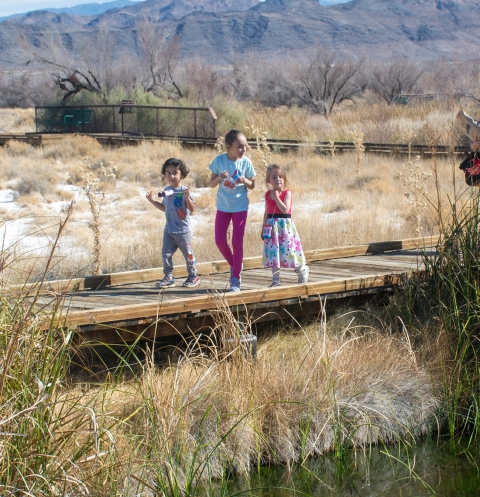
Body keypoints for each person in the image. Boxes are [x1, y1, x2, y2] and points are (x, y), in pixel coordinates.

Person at [209, 130, 256, 291]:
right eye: (240, 147)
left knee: (237, 242)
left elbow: (253, 184)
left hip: (240, 207)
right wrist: (219, 178)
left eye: (245, 147)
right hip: (223, 207)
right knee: (220, 241)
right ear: (229, 147)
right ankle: (236, 265)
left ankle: (235, 278)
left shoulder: (246, 162)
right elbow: (211, 184)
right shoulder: (219, 161)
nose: (243, 150)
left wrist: (245, 180)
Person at [146, 158, 200, 288]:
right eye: (168, 173)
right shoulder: (166, 190)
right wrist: (152, 200)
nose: (171, 176)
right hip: (169, 230)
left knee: (188, 254)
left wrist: (187, 197)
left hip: (183, 231)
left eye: (175, 172)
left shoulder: (184, 190)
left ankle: (193, 276)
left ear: (182, 174)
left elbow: (192, 209)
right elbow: (165, 208)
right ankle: (168, 277)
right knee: (165, 254)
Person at [261, 164, 308, 287]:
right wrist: (263, 227)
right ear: (268, 180)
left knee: (289, 251)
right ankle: (276, 280)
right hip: (272, 227)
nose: (278, 180)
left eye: (280, 177)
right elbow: (266, 212)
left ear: (284, 179)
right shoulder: (267, 195)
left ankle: (301, 269)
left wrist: (277, 197)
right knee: (273, 253)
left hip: (284, 227)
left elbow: (285, 209)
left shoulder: (287, 193)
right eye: (274, 177)